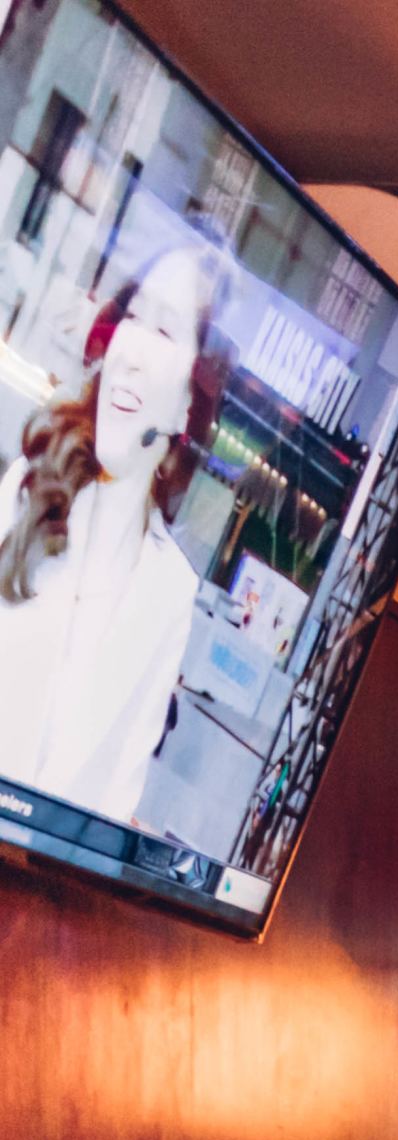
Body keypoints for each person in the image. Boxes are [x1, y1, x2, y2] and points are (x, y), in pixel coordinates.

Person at [0, 236, 233, 831]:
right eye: (134, 316)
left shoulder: (169, 592)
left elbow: (110, 808)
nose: (131, 350)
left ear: (188, 404)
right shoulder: (27, 491)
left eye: (165, 331)